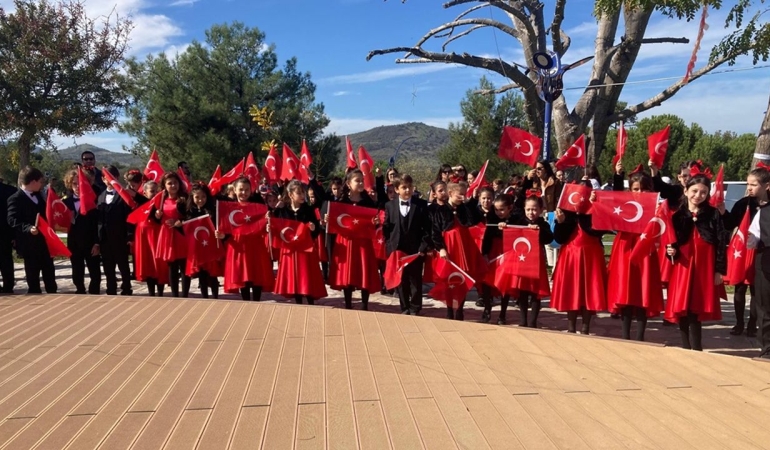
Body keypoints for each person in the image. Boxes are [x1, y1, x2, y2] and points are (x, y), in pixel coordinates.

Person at [665, 171, 726, 351]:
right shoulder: (677, 216)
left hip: (704, 268)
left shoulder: (713, 215)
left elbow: (722, 242)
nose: (698, 195)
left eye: (703, 192)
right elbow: (671, 243)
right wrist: (671, 251)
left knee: (695, 309)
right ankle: (685, 347)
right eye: (694, 191)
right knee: (683, 307)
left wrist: (719, 270)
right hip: (683, 266)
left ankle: (697, 348)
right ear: (686, 191)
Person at [606, 163, 663, 341]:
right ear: (630, 190)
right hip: (624, 249)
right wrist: (618, 174)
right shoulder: (625, 204)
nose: (640, 192)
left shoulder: (656, 207)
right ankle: (625, 336)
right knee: (626, 290)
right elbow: (611, 201)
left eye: (644, 189)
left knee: (642, 291)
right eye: (636, 189)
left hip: (645, 250)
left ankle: (640, 336)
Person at [551, 183, 608, 334]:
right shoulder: (566, 211)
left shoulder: (595, 209)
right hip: (570, 255)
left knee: (589, 290)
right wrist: (561, 222)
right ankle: (570, 327)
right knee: (571, 289)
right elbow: (559, 238)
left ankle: (585, 327)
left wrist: (594, 206)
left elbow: (599, 230)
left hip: (591, 255)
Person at [724, 167, 770, 337]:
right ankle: (739, 323)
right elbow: (729, 224)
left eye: (754, 184)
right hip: (743, 251)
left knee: (757, 290)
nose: (749, 188)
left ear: (766, 186)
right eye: (748, 184)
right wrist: (722, 212)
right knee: (740, 287)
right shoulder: (743, 203)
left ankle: (753, 324)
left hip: (761, 253)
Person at [327, 169, 381, 310]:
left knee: (364, 271)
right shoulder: (341, 201)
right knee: (348, 271)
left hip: (363, 241)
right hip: (346, 241)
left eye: (362, 180)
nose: (361, 183)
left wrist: (376, 222)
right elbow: (334, 222)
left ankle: (364, 305)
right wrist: (328, 220)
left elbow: (374, 223)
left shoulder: (368, 202)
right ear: (348, 184)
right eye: (357, 180)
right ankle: (348, 304)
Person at [431, 181, 483, 320]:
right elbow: (435, 232)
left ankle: (459, 309)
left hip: (463, 247)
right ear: (451, 194)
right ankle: (449, 309)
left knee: (462, 278)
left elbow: (474, 220)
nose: (462, 197)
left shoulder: (464, 209)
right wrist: (441, 248)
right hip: (449, 246)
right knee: (448, 278)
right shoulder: (440, 210)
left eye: (463, 194)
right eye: (459, 194)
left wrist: (472, 201)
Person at [382, 174, 431, 315]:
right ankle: (404, 306)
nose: (408, 190)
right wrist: (390, 247)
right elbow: (386, 228)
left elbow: (427, 228)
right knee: (401, 279)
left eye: (410, 187)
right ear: (397, 189)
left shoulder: (420, 204)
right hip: (397, 249)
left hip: (415, 250)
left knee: (415, 279)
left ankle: (415, 307)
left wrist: (423, 247)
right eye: (404, 187)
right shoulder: (389, 205)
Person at [273, 180, 327, 304]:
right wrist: (276, 209)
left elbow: (316, 231)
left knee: (307, 276)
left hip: (305, 250)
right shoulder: (283, 210)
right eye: (299, 193)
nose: (303, 196)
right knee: (294, 278)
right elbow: (277, 227)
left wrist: (314, 229)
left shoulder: (308, 210)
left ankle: (310, 302)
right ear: (291, 195)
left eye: (303, 193)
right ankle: (298, 303)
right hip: (290, 250)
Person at [7, 167, 57, 294]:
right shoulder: (15, 198)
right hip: (29, 244)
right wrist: (28, 228)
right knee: (32, 273)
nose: (42, 184)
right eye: (40, 181)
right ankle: (35, 296)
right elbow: (12, 219)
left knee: (49, 272)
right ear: (33, 182)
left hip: (45, 242)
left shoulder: (41, 196)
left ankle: (53, 294)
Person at [62, 169, 102, 295]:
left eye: (80, 182)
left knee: (95, 271)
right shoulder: (65, 203)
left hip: (91, 242)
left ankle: (94, 292)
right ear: (69, 184)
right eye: (74, 183)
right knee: (77, 270)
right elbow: (59, 225)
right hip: (74, 242)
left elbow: (99, 224)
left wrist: (97, 243)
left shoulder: (96, 202)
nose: (77, 186)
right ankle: (80, 290)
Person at [97, 166, 133, 296]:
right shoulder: (100, 196)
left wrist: (129, 236)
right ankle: (111, 288)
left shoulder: (123, 196)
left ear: (117, 178)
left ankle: (127, 288)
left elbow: (129, 217)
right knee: (108, 266)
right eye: (106, 178)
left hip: (120, 237)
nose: (109, 180)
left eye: (112, 177)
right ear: (103, 179)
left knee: (123, 265)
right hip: (105, 239)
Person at [153, 172, 189, 297]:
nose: (173, 185)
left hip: (181, 235)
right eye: (169, 183)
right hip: (167, 235)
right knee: (172, 267)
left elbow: (190, 216)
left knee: (184, 267)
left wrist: (181, 222)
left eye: (175, 182)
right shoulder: (160, 199)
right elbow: (154, 218)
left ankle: (185, 295)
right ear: (164, 185)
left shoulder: (184, 199)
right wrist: (157, 216)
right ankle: (175, 295)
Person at [0, 175, 16, 293]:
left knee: (6, 258)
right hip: (6, 232)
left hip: (5, 231)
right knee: (6, 258)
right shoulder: (11, 191)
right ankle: (8, 285)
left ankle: (8, 284)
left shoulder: (11, 191)